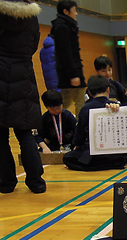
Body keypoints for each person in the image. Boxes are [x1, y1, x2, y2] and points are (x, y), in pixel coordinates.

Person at [0, 0, 46, 194]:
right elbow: (34, 44)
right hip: (24, 77)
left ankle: (6, 183)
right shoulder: (32, 17)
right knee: (25, 134)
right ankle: (36, 183)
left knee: (1, 137)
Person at [63, 76, 127, 171]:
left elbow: (79, 136)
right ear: (108, 90)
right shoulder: (117, 106)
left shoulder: (85, 108)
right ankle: (120, 163)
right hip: (117, 151)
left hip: (97, 152)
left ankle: (114, 164)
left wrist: (77, 147)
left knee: (69, 158)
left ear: (89, 92)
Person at [51, 0, 86, 117]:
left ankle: (55, 123)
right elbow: (66, 53)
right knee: (79, 102)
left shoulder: (64, 26)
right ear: (66, 11)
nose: (76, 13)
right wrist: (73, 74)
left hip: (67, 72)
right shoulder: (63, 27)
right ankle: (81, 129)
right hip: (70, 72)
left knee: (65, 102)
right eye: (74, 10)